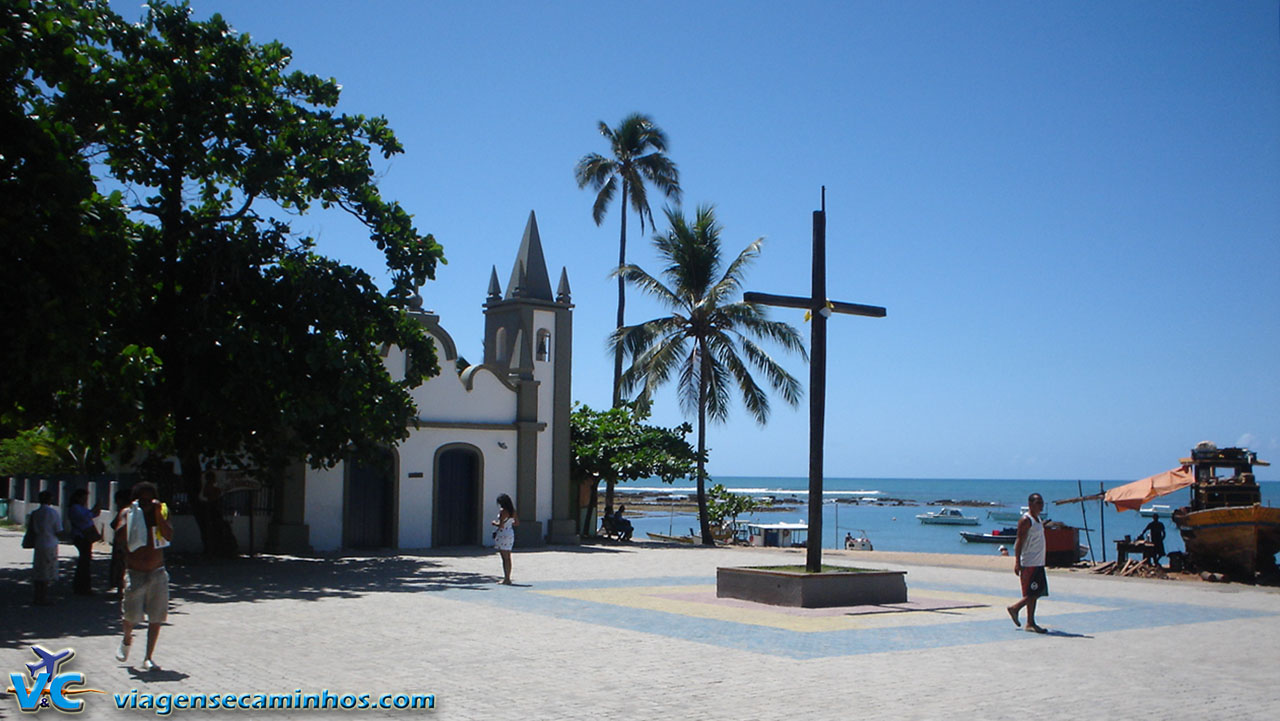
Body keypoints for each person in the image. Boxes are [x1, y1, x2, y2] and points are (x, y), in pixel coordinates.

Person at [116, 482, 174, 671]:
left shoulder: (161, 514)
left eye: (150, 500)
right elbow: (119, 538)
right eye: (142, 500)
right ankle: (126, 639)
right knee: (131, 615)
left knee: (156, 616)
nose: (146, 503)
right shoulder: (128, 513)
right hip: (135, 572)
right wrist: (130, 518)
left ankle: (148, 657)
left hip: (156, 571)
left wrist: (158, 514)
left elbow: (168, 536)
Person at [1006, 492, 1048, 633]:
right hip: (1028, 561)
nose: (1041, 505)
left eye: (1042, 503)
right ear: (1030, 504)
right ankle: (1015, 608)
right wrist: (1017, 561)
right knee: (1032, 592)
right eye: (1038, 503)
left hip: (1038, 561)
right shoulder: (1026, 520)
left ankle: (1030, 622)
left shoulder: (1038, 519)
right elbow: (1019, 541)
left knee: (1036, 591)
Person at [27, 490, 62, 606]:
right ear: (50, 499)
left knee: (38, 570)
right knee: (47, 571)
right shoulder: (53, 513)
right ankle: (44, 597)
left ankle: (37, 596)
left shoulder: (35, 513)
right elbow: (58, 530)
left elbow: (32, 529)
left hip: (39, 543)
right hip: (50, 543)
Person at [67, 489, 100, 596]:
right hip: (81, 536)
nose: (85, 500)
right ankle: (82, 586)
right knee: (84, 562)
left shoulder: (80, 508)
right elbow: (86, 517)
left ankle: (82, 586)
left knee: (85, 561)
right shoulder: (75, 508)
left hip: (84, 536)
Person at [108, 489, 131, 596]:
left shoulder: (124, 511)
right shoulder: (134, 510)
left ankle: (120, 589)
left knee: (120, 565)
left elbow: (114, 525)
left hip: (122, 543)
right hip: (130, 542)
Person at [492, 493, 519, 585]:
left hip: (503, 533)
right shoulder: (513, 511)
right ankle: (508, 577)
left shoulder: (503, 511)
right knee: (508, 557)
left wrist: (494, 523)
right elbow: (516, 523)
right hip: (510, 533)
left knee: (504, 557)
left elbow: (501, 525)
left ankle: (506, 578)